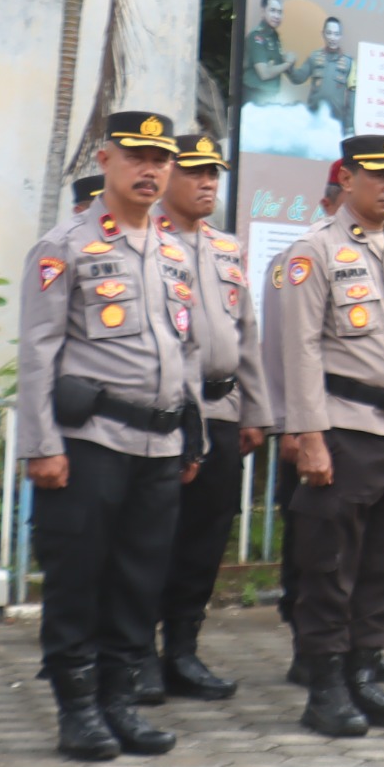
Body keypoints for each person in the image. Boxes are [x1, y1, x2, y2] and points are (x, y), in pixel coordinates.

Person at [16, 112, 203, 760]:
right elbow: (38, 353)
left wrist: (193, 436)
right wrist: (40, 446)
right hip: (89, 442)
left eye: (162, 159)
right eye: (137, 157)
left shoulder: (175, 250)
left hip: (158, 446)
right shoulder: (64, 246)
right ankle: (77, 709)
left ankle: (120, 703)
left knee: (138, 579)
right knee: (79, 578)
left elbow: (187, 349)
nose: (151, 170)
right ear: (106, 159)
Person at [273, 134, 384, 738]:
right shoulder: (313, 252)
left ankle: (364, 677)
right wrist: (308, 435)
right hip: (346, 430)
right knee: (330, 564)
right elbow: (298, 349)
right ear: (347, 179)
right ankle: (325, 688)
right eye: (380, 175)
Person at [151, 133, 267, 701]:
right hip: (170, 414)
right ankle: (138, 656)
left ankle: (183, 650)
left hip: (222, 410)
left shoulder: (227, 248)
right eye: (195, 172)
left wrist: (256, 411)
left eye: (213, 174)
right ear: (170, 176)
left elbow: (246, 332)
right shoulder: (149, 240)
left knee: (204, 539)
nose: (206, 184)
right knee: (156, 539)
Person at [301, 17, 355, 131]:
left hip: (335, 123)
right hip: (313, 119)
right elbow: (298, 77)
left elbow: (352, 98)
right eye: (329, 33)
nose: (332, 38)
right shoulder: (314, 57)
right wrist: (288, 66)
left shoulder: (349, 62)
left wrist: (349, 126)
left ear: (341, 36)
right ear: (323, 34)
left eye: (336, 34)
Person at [243, 0, 296, 105]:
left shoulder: (274, 36)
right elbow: (265, 73)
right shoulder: (256, 36)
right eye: (272, 11)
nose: (277, 16)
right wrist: (288, 63)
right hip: (255, 96)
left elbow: (275, 64)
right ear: (263, 12)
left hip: (269, 96)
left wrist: (285, 59)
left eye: (280, 12)